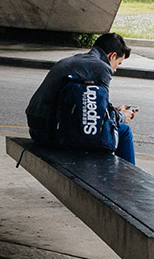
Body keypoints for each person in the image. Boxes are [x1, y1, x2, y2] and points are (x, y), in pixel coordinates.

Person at [25, 32, 137, 163]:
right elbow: (99, 118)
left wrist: (114, 111)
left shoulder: (74, 60)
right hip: (52, 135)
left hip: (37, 129)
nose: (115, 70)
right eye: (118, 63)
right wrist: (122, 116)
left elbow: (93, 106)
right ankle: (128, 176)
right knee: (124, 131)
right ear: (112, 56)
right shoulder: (102, 68)